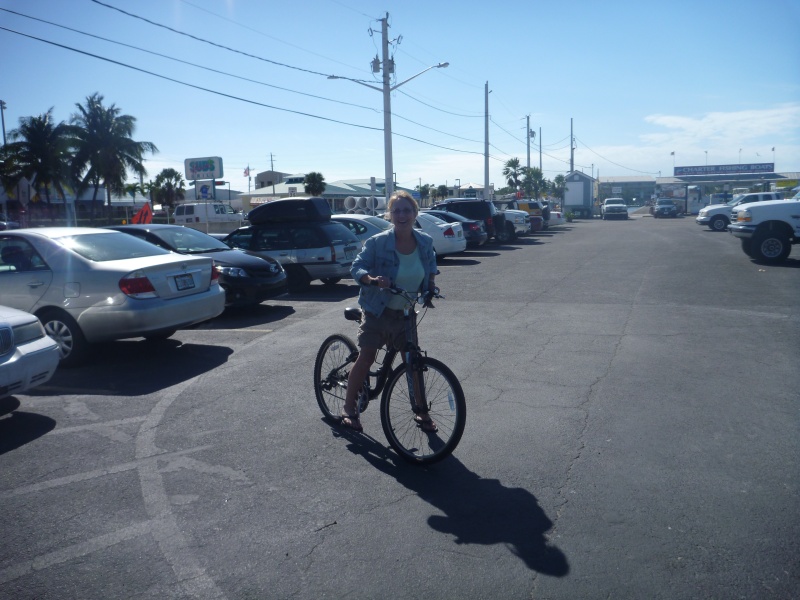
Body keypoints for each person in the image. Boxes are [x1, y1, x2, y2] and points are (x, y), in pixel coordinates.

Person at [342, 190, 438, 433]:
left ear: (416, 213)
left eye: (407, 210)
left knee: (413, 362)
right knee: (367, 357)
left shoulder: (424, 241)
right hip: (377, 310)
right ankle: (348, 407)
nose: (402, 215)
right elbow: (357, 267)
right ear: (390, 215)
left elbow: (430, 266)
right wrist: (372, 279)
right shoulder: (378, 242)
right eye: (397, 211)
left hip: (405, 313)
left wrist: (430, 288)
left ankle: (421, 410)